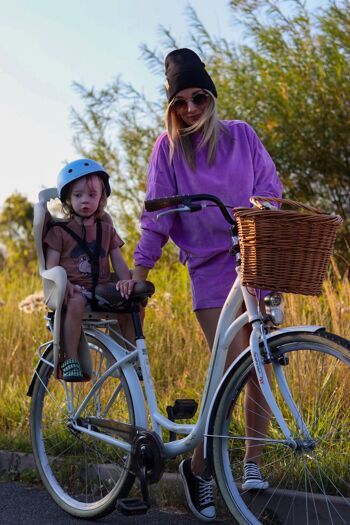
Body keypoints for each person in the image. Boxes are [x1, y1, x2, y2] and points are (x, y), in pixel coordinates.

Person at [132, 48, 283, 521]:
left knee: (262, 359)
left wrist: (265, 219)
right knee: (236, 359)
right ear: (171, 106)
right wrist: (139, 271)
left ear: (211, 97)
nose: (190, 108)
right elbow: (157, 215)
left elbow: (270, 191)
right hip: (209, 269)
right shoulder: (168, 149)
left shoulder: (241, 137)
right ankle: (199, 466)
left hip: (254, 258)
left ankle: (251, 463)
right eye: (180, 101)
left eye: (198, 97)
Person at [44, 158, 136, 381]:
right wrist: (61, 285)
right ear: (67, 198)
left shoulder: (106, 229)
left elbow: (119, 261)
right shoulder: (60, 231)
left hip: (102, 288)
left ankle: (129, 354)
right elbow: (51, 265)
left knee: (133, 299)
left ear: (101, 198)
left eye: (92, 195)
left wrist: (126, 281)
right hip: (73, 290)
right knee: (75, 302)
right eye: (78, 195)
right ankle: (71, 358)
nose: (85, 200)